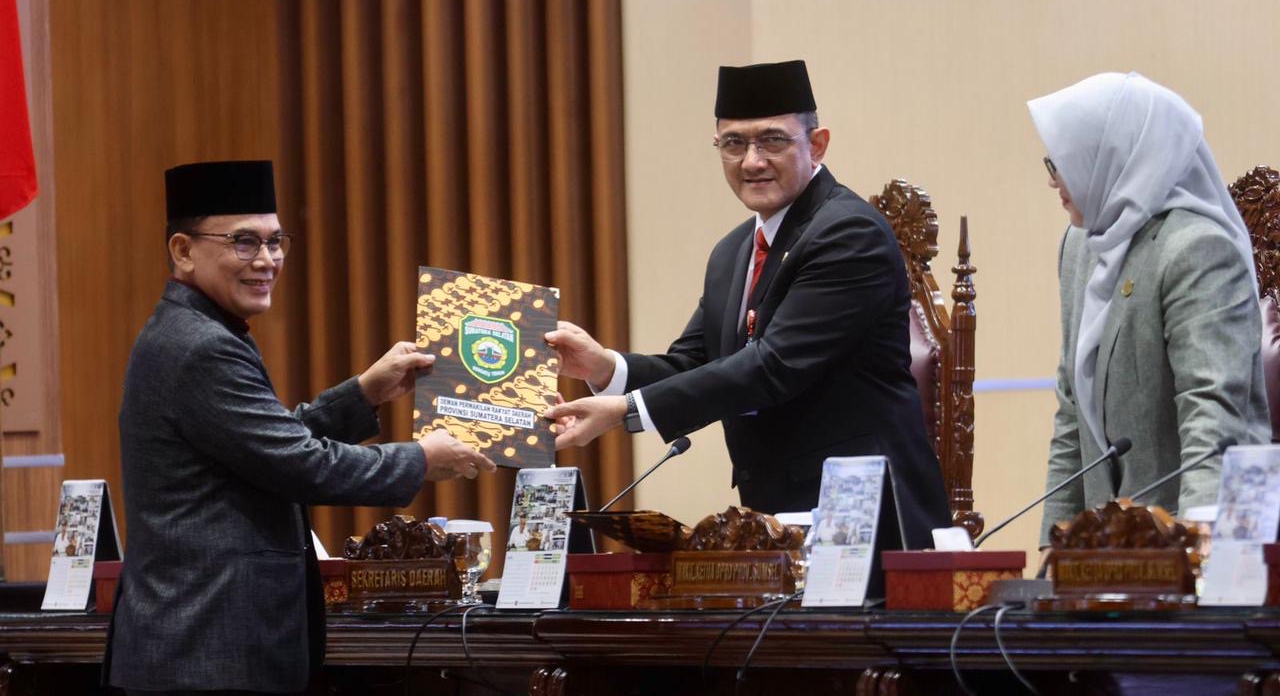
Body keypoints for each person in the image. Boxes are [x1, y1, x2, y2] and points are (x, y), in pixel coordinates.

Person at [106, 160, 496, 696]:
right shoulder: (202, 346)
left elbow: (264, 447)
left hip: (205, 647)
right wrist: (421, 458)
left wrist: (364, 393)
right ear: (183, 250)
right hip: (207, 648)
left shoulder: (196, 330)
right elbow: (301, 464)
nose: (266, 260)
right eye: (244, 242)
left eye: (275, 241)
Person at [546, 60, 950, 552]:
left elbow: (772, 367)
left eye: (772, 141)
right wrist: (606, 368)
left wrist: (624, 411)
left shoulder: (848, 232)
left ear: (817, 144)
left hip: (869, 524)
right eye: (734, 143)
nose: (752, 161)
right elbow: (694, 363)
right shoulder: (733, 251)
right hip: (773, 523)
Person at [1031, 72, 1270, 543]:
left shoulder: (1196, 250)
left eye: (1062, 161)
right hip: (1105, 554)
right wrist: (1052, 548)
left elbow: (1212, 421)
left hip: (1188, 537)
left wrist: (1198, 551)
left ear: (1112, 155)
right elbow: (1070, 414)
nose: (1053, 179)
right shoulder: (1079, 247)